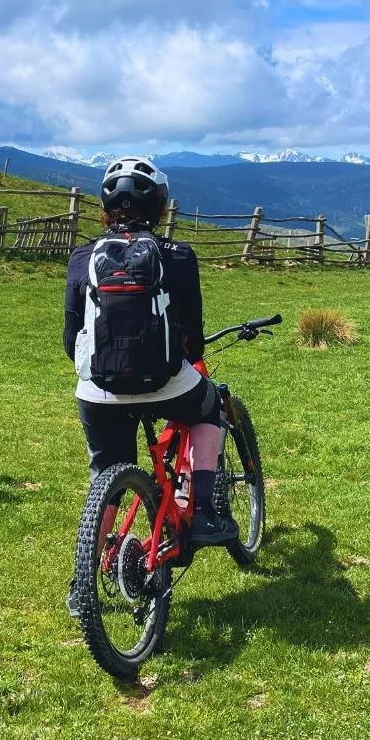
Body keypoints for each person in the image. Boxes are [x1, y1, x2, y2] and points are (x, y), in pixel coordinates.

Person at [63, 158, 237, 554]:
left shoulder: (81, 258)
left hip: (98, 390)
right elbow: (192, 331)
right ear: (160, 207)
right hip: (165, 382)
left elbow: (72, 339)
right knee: (209, 409)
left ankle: (86, 578)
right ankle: (206, 510)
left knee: (106, 473)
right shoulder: (177, 254)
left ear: (105, 208)